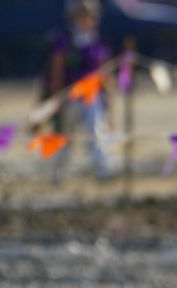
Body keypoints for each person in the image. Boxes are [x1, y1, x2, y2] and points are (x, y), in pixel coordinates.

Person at [43, 0, 115, 181]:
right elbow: (57, 70)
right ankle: (57, 173)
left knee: (97, 132)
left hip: (92, 96)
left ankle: (103, 170)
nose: (86, 19)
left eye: (90, 15)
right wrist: (56, 98)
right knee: (64, 135)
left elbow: (104, 71)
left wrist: (108, 97)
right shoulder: (64, 40)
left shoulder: (98, 40)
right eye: (82, 14)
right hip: (70, 96)